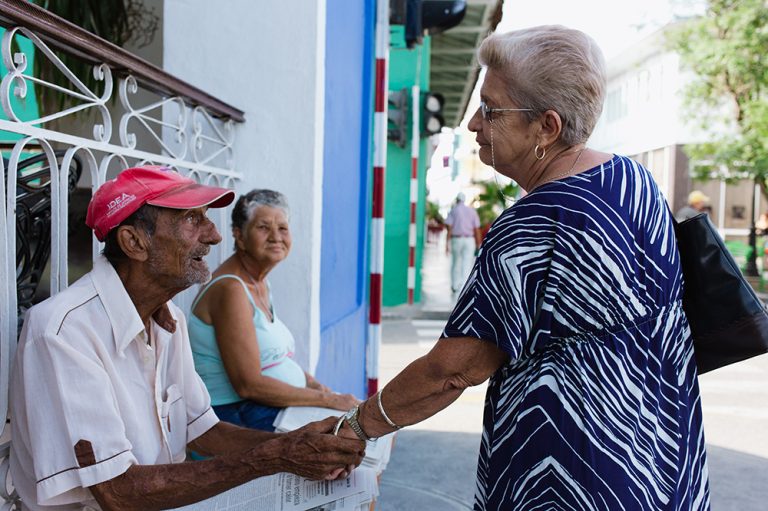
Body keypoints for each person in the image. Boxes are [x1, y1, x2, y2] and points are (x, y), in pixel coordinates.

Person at [333, 26, 709, 510]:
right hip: (662, 458)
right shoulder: (634, 179)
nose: (473, 124)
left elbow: (454, 370)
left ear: (546, 128)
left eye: (490, 110)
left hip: (572, 474)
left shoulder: (536, 220)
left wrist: (359, 425)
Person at [9, 166, 364, 511]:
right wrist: (275, 457)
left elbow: (204, 431)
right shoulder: (64, 331)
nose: (214, 235)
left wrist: (298, 446)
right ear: (134, 242)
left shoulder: (168, 320)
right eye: (192, 220)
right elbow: (118, 493)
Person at [188, 189, 359, 431]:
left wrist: (316, 386)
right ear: (239, 235)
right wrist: (330, 400)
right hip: (236, 416)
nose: (276, 237)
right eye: (263, 227)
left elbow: (275, 357)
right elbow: (248, 385)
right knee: (355, 438)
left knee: (370, 433)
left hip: (264, 407)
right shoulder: (230, 289)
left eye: (283, 228)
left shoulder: (259, 281)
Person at [445, 192, 482, 293]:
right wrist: (479, 244)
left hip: (456, 239)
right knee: (467, 263)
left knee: (455, 262)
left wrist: (446, 245)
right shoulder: (472, 211)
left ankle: (454, 285)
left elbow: (449, 228)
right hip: (469, 239)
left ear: (457, 200)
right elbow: (476, 229)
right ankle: (464, 287)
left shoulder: (453, 211)